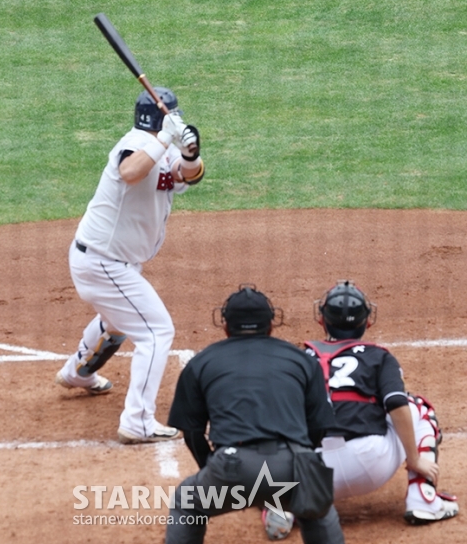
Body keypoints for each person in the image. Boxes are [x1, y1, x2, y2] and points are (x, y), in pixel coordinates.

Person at [55, 87, 204, 444]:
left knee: (118, 321)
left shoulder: (162, 146)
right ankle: (137, 421)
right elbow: (130, 171)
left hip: (113, 262)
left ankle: (78, 373)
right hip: (103, 262)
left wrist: (190, 153)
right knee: (156, 331)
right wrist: (166, 139)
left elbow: (189, 177)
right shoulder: (135, 143)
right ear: (161, 119)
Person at [262, 280, 459, 540]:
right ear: (367, 322)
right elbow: (396, 404)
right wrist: (413, 458)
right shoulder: (378, 356)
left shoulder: (299, 358)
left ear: (322, 320)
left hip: (315, 472)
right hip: (370, 463)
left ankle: (283, 500)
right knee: (418, 408)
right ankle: (423, 496)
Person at [164, 285, 346, 544]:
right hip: (290, 466)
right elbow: (318, 428)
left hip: (231, 467)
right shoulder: (302, 360)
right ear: (271, 324)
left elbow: (192, 434)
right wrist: (301, 465)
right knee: (317, 506)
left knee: (186, 501)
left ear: (226, 325)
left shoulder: (201, 362)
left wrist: (217, 471)